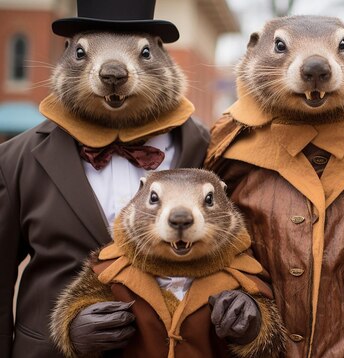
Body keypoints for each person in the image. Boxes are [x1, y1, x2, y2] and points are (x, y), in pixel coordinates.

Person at [0, 1, 209, 356]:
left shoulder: (206, 147)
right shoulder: (16, 159)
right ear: (66, 54)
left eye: (143, 53)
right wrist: (62, 338)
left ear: (162, 54)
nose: (113, 72)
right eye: (83, 53)